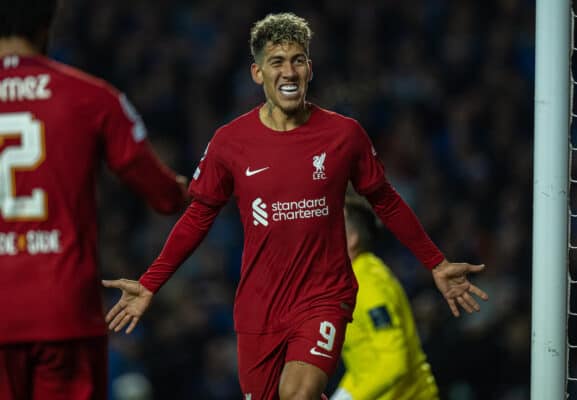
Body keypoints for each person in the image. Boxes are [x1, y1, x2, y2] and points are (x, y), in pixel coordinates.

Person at [103, 12, 488, 400]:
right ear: (258, 73)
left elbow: (384, 200)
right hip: (260, 306)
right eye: (277, 62)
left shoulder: (344, 135)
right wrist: (151, 281)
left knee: (298, 394)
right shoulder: (230, 142)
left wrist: (436, 263)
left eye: (298, 60)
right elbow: (199, 215)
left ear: (309, 68)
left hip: (324, 296)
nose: (289, 71)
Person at [0, 2, 189, 399]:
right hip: (62, 310)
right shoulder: (91, 96)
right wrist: (185, 188)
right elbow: (162, 195)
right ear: (47, 22)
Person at [330, 196, 439, 400]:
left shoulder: (370, 285)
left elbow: (394, 361)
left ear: (352, 239)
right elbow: (364, 367)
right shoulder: (352, 280)